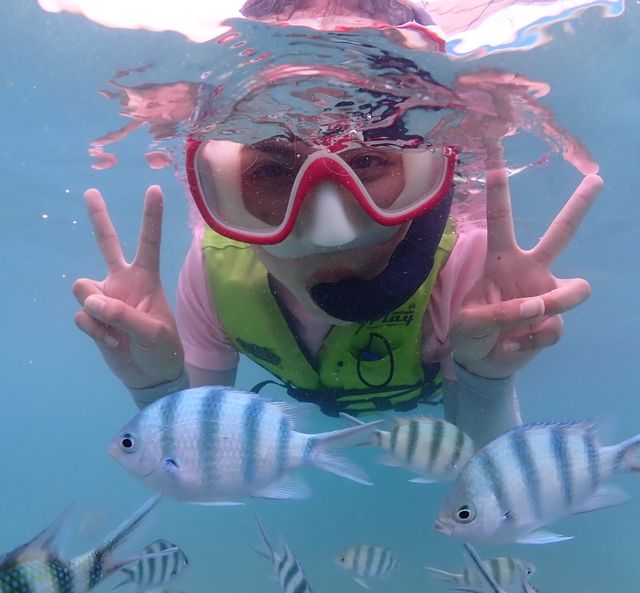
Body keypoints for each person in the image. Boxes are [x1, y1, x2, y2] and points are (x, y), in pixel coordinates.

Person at [71, 1, 603, 446]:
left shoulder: (469, 271)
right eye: (272, 173)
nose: (331, 231)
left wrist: (489, 376)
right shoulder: (213, 274)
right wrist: (157, 388)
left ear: (430, 169)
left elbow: (489, 466)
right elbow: (198, 455)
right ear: (221, 191)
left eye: (369, 162)